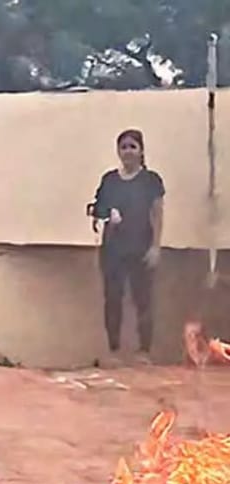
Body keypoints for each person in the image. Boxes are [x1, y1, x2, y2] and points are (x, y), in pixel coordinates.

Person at [89, 129, 165, 365]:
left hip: (141, 248)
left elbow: (158, 214)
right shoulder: (110, 180)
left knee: (143, 299)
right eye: (124, 147)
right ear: (118, 151)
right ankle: (114, 351)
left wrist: (155, 247)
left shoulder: (151, 180)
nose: (128, 152)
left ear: (141, 150)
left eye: (133, 146)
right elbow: (96, 208)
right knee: (113, 299)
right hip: (113, 250)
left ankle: (144, 351)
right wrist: (106, 214)